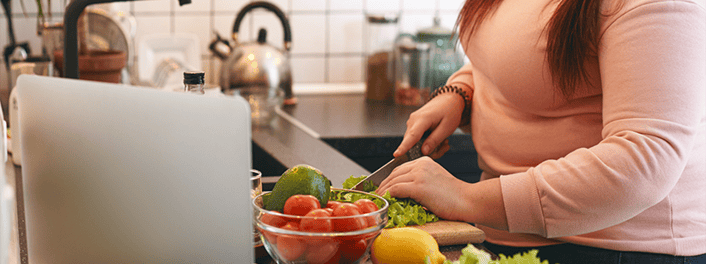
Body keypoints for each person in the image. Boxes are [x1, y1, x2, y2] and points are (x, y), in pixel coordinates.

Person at [375, 0, 706, 262]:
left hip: (610, 250)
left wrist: (465, 198)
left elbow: (642, 164)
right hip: (505, 238)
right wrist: (460, 92)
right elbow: (517, 52)